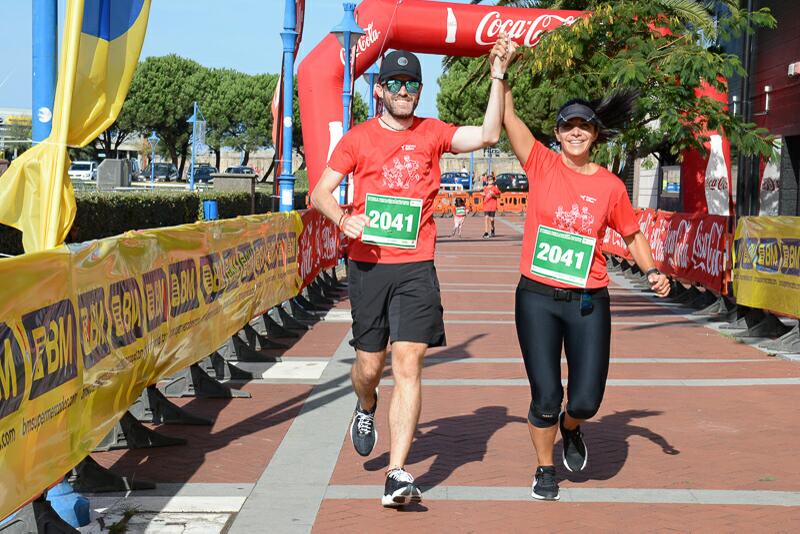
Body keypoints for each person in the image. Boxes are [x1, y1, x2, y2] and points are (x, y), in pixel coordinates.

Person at [310, 48, 507, 508]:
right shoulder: (357, 139)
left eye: (411, 84)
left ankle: (397, 473)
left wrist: (497, 76)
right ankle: (365, 405)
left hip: (417, 265)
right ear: (379, 91)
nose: (403, 91)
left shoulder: (433, 132)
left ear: (419, 90)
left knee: (409, 364)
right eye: (395, 84)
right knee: (369, 367)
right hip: (369, 265)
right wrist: (343, 219)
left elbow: (490, 133)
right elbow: (320, 192)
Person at [491, 39, 671, 501]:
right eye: (567, 126)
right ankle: (544, 468)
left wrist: (652, 271)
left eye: (583, 127)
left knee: (586, 399)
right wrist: (502, 71)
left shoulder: (610, 186)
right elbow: (509, 118)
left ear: (595, 134)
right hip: (536, 297)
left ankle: (572, 428)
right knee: (546, 396)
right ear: (557, 133)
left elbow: (631, 235)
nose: (575, 133)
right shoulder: (541, 164)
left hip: (588, 301)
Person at [482, 174, 501, 238]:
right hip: (486, 205)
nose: (490, 181)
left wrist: (494, 195)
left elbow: (499, 196)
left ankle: (492, 229)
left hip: (492, 206)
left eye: (491, 179)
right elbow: (484, 195)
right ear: (487, 181)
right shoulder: (485, 188)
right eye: (489, 180)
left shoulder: (495, 188)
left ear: (493, 180)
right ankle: (486, 232)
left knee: (491, 219)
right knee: (486, 218)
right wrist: (483, 195)